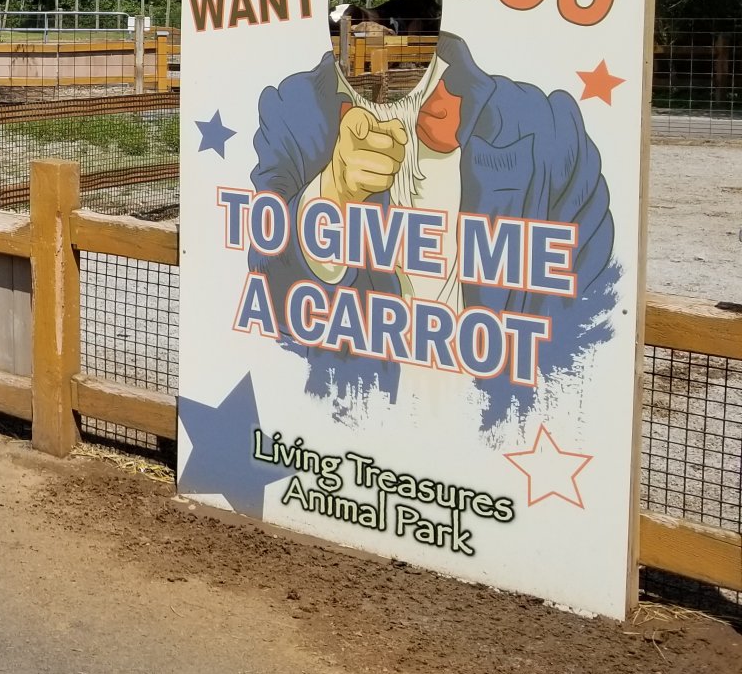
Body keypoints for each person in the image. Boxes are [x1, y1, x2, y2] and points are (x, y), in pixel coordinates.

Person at [248, 31, 618, 429]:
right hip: (343, 426)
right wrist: (332, 194)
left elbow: (588, 316)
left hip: (499, 433)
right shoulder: (295, 109)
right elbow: (267, 285)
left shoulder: (546, 128)